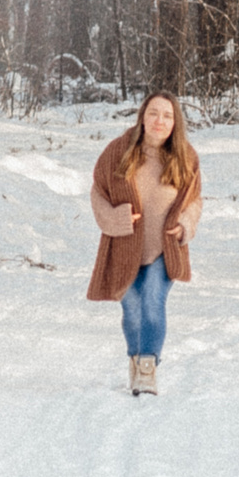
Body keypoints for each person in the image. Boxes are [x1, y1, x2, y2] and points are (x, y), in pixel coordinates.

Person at [85, 92, 203, 396]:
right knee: (133, 310)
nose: (159, 121)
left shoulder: (185, 157)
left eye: (167, 115)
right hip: (125, 248)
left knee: (152, 300)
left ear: (175, 122)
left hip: (164, 248)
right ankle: (135, 359)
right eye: (153, 113)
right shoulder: (118, 152)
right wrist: (115, 218)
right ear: (142, 117)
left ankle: (148, 370)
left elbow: (194, 201)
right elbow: (98, 192)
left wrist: (186, 225)